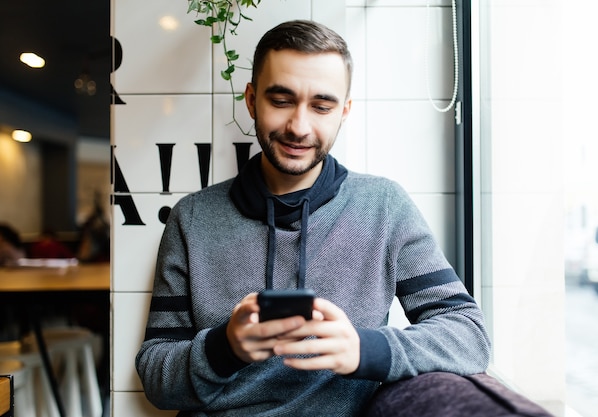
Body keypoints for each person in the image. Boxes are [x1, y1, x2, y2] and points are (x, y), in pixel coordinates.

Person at [136, 20, 491, 416]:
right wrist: (225, 348)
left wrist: (365, 349)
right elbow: (155, 375)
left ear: (344, 111)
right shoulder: (193, 218)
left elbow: (469, 336)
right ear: (252, 100)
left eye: (321, 106)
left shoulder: (384, 207)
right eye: (281, 100)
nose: (298, 127)